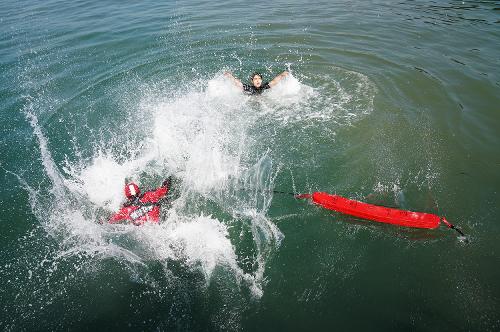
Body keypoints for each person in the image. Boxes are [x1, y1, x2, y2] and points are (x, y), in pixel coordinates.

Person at [108, 177, 172, 225]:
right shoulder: (150, 195)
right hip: (157, 227)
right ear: (139, 191)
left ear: (127, 196)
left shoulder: (124, 211)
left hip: (143, 233)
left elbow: (110, 221)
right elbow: (165, 189)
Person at [224, 71, 289, 95]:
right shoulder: (248, 88)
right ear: (252, 81)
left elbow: (274, 81)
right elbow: (238, 83)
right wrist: (230, 76)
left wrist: (282, 75)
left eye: (259, 79)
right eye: (255, 79)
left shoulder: (264, 87)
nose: (258, 81)